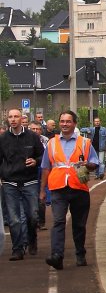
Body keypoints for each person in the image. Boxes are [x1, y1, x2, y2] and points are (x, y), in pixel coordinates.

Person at [40, 111, 99, 270]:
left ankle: (80, 254)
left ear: (74, 124)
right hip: (58, 188)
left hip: (79, 187)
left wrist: (88, 164)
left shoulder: (85, 142)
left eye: (68, 121)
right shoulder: (52, 143)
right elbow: (45, 167)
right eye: (62, 121)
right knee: (58, 221)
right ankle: (57, 256)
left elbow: (95, 163)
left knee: (79, 224)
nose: (64, 124)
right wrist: (42, 190)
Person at [0, 109, 44, 260]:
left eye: (16, 117)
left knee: (32, 215)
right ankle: (17, 249)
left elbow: (42, 155)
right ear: (7, 119)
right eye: (10, 117)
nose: (13, 119)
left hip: (29, 181)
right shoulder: (3, 138)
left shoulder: (32, 137)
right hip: (10, 182)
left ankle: (32, 239)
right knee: (14, 219)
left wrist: (35, 161)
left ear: (21, 118)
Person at [29, 121, 48, 229]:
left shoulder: (45, 140)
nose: (35, 131)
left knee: (41, 196)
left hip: (42, 170)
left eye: (38, 129)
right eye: (33, 129)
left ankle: (41, 221)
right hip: (29, 172)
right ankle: (32, 221)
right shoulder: (25, 140)